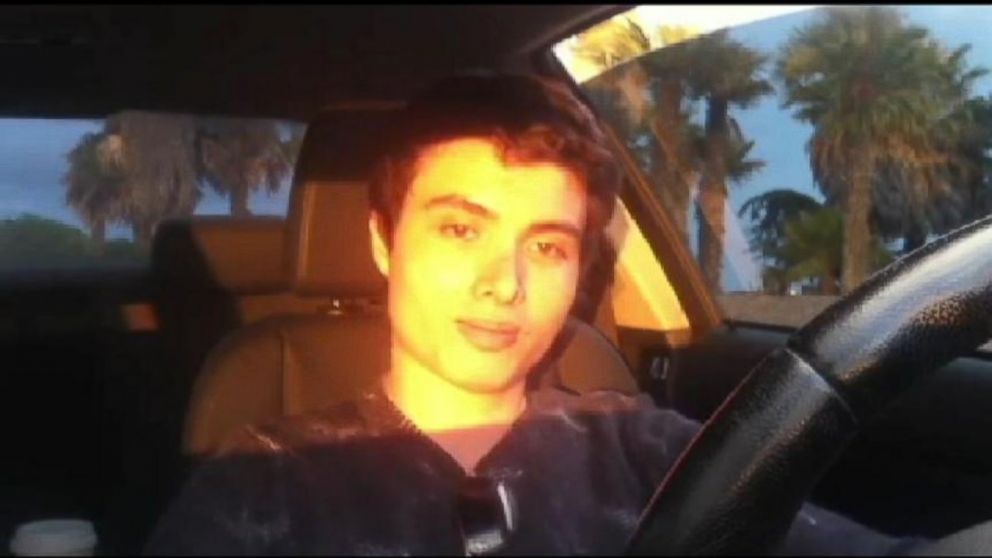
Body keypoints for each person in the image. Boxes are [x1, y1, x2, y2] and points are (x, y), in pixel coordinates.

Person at [144, 72, 921, 555]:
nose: (505, 283)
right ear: (384, 243)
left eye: (547, 247)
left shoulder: (650, 449)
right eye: (460, 229)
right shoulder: (262, 483)